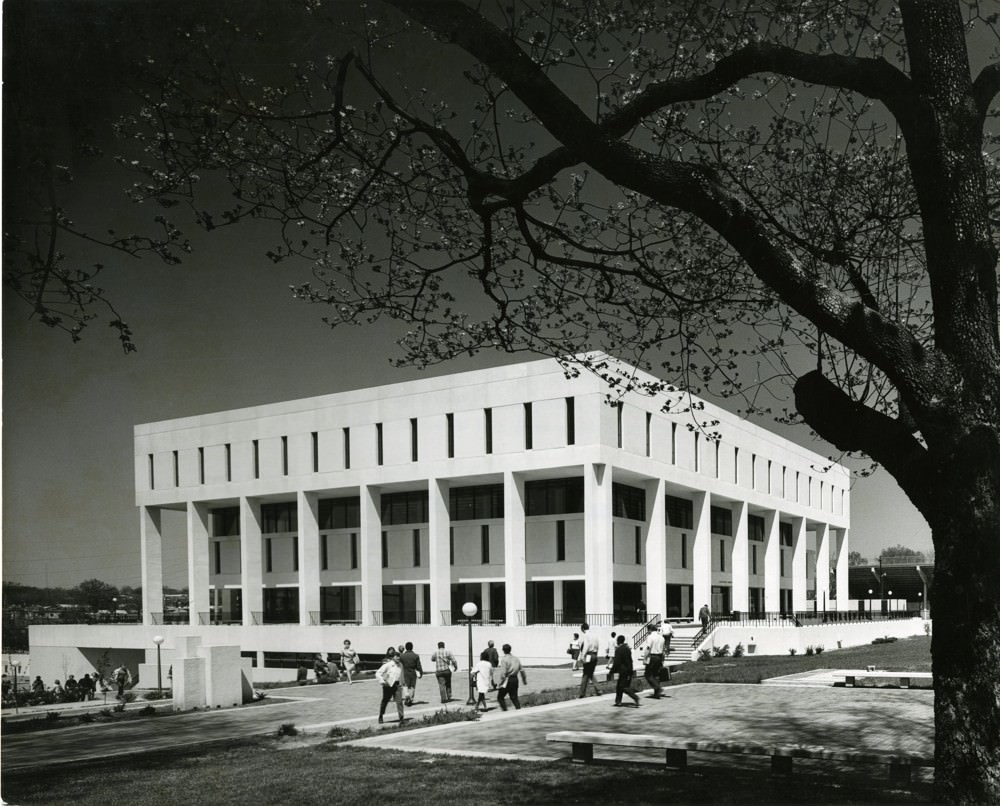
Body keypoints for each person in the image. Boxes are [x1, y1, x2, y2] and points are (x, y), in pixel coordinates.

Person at [375, 647, 405, 724]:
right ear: (393, 658)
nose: (398, 658)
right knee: (385, 701)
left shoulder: (401, 665)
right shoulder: (388, 665)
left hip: (397, 685)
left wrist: (403, 686)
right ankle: (381, 716)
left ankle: (401, 718)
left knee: (399, 702)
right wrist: (382, 681)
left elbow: (401, 675)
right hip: (388, 686)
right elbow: (378, 673)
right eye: (396, 656)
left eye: (399, 656)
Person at [609, 634, 640, 707]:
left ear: (618, 641)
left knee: (623, 687)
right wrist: (631, 670)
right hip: (628, 669)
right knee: (619, 686)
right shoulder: (627, 648)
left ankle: (635, 697)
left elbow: (616, 662)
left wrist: (612, 671)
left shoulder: (619, 650)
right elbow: (630, 661)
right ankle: (618, 701)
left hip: (622, 670)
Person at [496, 643, 527, 711]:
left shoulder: (504, 659)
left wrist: (500, 683)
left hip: (508, 680)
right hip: (515, 679)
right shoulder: (516, 659)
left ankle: (505, 711)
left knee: (500, 697)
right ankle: (518, 710)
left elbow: (503, 673)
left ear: (503, 650)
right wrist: (524, 680)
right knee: (514, 697)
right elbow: (522, 670)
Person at [577, 622, 603, 698]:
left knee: (585, 674)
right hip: (595, 654)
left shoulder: (585, 635)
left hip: (588, 655)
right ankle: (598, 690)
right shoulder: (594, 635)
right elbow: (597, 645)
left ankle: (582, 693)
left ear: (582, 629)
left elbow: (586, 645)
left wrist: (582, 656)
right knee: (590, 673)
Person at [643, 623, 666, 698]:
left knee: (648, 674)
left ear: (650, 629)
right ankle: (656, 693)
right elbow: (663, 650)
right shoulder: (661, 637)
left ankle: (657, 688)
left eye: (648, 630)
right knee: (656, 675)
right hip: (659, 656)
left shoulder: (650, 637)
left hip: (652, 657)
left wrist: (645, 658)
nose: (648, 632)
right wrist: (663, 659)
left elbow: (648, 648)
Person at [398, 641, 423, 706]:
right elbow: (418, 666)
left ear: (405, 648)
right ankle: (411, 699)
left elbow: (399, 665)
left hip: (404, 673)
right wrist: (421, 672)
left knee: (405, 686)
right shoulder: (416, 656)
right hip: (412, 673)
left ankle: (407, 697)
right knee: (412, 687)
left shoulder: (402, 656)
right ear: (412, 647)